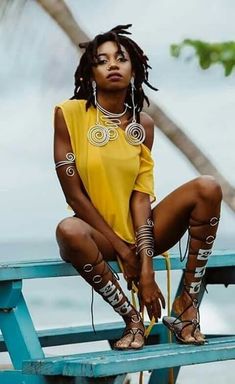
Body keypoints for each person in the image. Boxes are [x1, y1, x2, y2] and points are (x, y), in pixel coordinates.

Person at [54, 24, 222, 350]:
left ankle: (186, 307)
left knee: (208, 187)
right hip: (98, 236)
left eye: (121, 58)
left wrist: (145, 268)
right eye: (102, 60)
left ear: (134, 68)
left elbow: (140, 198)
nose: (113, 65)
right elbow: (74, 194)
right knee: (68, 230)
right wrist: (119, 247)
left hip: (143, 234)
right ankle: (131, 319)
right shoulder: (69, 115)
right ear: (91, 72)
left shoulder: (142, 125)